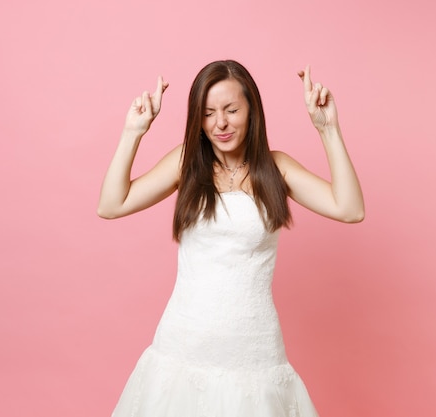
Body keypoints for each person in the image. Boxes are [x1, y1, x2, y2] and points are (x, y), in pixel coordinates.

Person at [98, 60, 364, 417]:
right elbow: (112, 204)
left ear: (252, 111)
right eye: (208, 113)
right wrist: (134, 132)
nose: (220, 123)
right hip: (183, 347)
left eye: (231, 110)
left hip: (254, 352)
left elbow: (349, 208)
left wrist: (328, 130)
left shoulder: (276, 168)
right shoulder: (186, 164)